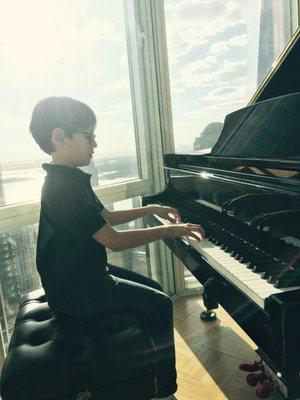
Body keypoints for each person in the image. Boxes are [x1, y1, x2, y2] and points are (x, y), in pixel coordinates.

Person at [30, 96, 205, 399]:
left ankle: (143, 368)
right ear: (60, 137)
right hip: (76, 290)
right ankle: (163, 390)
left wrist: (154, 209)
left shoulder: (69, 178)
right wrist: (174, 229)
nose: (95, 145)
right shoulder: (62, 188)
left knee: (151, 287)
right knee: (162, 304)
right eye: (89, 136)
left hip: (83, 276)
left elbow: (106, 217)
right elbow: (114, 240)